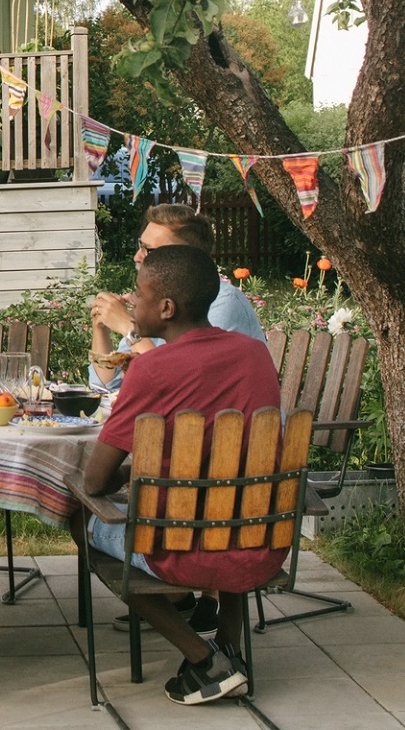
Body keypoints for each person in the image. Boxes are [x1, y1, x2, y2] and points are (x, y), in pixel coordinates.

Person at [74, 244, 284, 706]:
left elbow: (94, 481)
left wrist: (135, 474)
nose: (132, 301)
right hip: (260, 541)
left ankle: (204, 659)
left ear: (166, 308)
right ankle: (230, 644)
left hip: (181, 551)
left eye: (139, 294)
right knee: (229, 500)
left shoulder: (152, 368)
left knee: (83, 520)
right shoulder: (254, 355)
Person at [89, 204, 266, 390]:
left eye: (148, 250)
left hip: (226, 418)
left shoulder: (220, 301)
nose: (136, 257)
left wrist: (128, 328)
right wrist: (100, 326)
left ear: (182, 257)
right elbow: (106, 386)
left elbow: (183, 384)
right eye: (139, 246)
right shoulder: (156, 301)